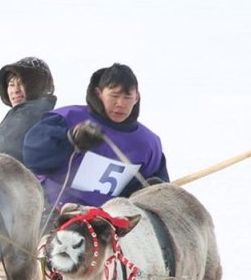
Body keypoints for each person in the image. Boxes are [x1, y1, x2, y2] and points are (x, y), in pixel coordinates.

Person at [23, 63, 169, 211]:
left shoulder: (148, 144)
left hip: (105, 223)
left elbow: (155, 189)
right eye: (114, 96)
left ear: (136, 98)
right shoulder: (67, 118)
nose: (120, 104)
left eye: (127, 97)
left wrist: (155, 192)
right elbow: (32, 157)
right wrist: (70, 139)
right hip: (51, 209)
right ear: (99, 93)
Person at [0, 57, 57, 162]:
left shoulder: (37, 120)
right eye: (11, 85)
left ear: (37, 87)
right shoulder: (15, 118)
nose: (15, 90)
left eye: (21, 84)